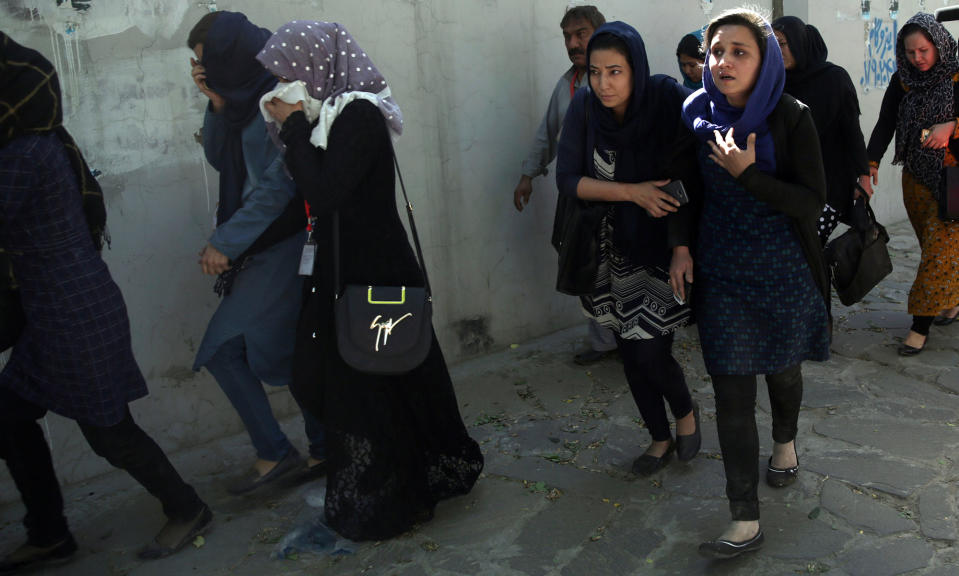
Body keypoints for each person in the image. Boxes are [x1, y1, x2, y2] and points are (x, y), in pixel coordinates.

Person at [258, 20, 484, 541]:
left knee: (379, 383)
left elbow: (328, 189)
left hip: (374, 276)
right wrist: (243, 248)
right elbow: (311, 199)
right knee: (352, 384)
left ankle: (394, 495)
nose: (281, 87)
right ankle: (386, 484)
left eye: (286, 73)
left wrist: (292, 127)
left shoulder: (356, 113)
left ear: (314, 66)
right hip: (343, 274)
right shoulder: (326, 119)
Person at [0, 31, 211, 570]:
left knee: (109, 435)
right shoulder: (37, 138)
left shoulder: (24, 152)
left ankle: (187, 508)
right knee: (8, 417)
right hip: (55, 314)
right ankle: (49, 533)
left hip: (72, 315)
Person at [681, 8, 830, 558]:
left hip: (782, 269)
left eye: (739, 51)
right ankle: (744, 517)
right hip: (722, 273)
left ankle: (786, 442)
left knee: (784, 372)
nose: (724, 62)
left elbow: (810, 201)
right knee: (731, 392)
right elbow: (685, 189)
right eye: (717, 50)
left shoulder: (791, 117)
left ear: (764, 59)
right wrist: (679, 245)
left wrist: (749, 175)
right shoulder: (696, 113)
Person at [188, 11, 326, 494]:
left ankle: (275, 452)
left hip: (282, 242)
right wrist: (217, 104)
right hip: (259, 245)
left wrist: (224, 243)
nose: (204, 73)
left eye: (210, 64)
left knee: (224, 348)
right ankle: (324, 445)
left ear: (234, 56)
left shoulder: (280, 93)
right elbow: (217, 158)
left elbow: (277, 188)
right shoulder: (242, 96)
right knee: (286, 347)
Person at [555, 22, 701, 477]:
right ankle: (658, 437)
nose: (604, 84)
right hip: (606, 253)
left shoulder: (665, 100)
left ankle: (686, 413)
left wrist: (683, 247)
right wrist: (632, 192)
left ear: (635, 68)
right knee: (627, 350)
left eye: (615, 71)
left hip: (659, 249)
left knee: (650, 352)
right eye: (596, 72)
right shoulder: (584, 108)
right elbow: (567, 180)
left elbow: (689, 177)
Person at [511, 5, 617, 365]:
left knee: (620, 268)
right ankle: (604, 343)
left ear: (600, 32)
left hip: (619, 194)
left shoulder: (619, 77)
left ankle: (635, 345)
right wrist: (528, 175)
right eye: (567, 37)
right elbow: (548, 133)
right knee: (582, 263)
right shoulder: (568, 83)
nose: (573, 43)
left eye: (581, 33)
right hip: (578, 193)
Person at [865, 12, 959, 353]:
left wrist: (951, 126)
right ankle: (952, 298)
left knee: (938, 252)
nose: (917, 58)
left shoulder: (957, 76)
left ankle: (920, 326)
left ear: (939, 45)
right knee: (936, 251)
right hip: (915, 180)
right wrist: (870, 162)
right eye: (910, 52)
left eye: (923, 51)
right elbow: (885, 122)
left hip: (953, 178)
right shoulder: (902, 80)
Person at [772, 16, 873, 246]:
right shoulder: (777, 81)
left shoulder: (834, 79)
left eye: (782, 43)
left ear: (798, 43)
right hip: (790, 185)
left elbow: (852, 132)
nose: (777, 50)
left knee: (806, 248)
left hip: (830, 184)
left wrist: (864, 177)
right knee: (796, 252)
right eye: (773, 44)